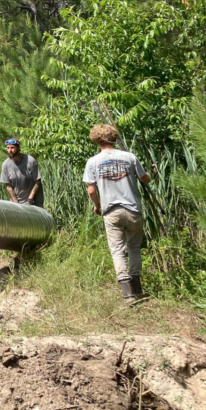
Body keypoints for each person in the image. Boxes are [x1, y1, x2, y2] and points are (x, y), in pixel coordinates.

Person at [83, 124, 151, 305]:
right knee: (134, 248)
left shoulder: (93, 161)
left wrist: (97, 206)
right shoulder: (129, 157)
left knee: (117, 250)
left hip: (111, 211)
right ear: (114, 137)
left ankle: (127, 294)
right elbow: (146, 179)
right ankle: (137, 289)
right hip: (133, 209)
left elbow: (91, 190)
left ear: (97, 140)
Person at [0, 138, 44, 207]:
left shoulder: (30, 161)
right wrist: (16, 202)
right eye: (8, 148)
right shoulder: (6, 164)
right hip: (16, 202)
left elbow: (37, 181)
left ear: (19, 148)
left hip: (33, 201)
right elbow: (8, 186)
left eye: (12, 148)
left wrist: (30, 198)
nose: (10, 150)